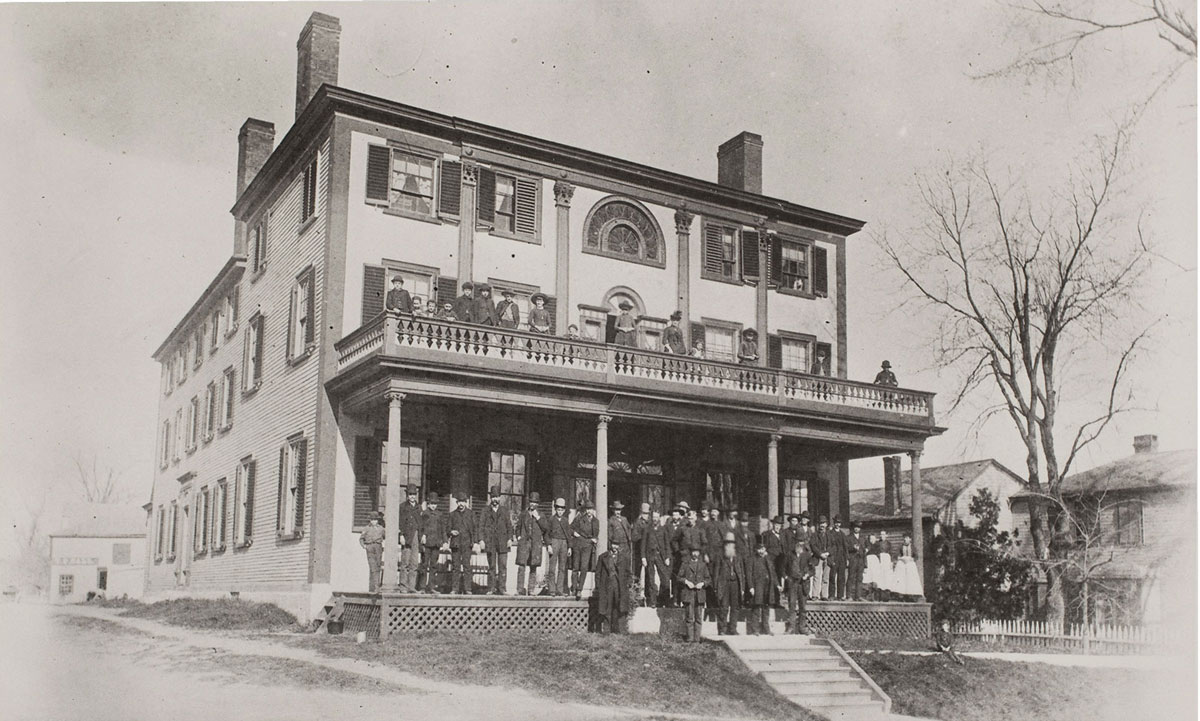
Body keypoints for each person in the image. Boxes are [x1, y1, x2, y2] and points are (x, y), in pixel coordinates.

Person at [478, 487, 514, 595]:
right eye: (493, 497)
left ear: (500, 498)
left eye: (497, 497)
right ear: (490, 498)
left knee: (503, 566)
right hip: (490, 542)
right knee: (492, 566)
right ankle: (491, 588)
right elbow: (481, 526)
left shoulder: (504, 511)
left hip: (503, 542)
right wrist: (481, 540)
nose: (495, 499)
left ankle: (502, 588)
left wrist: (510, 538)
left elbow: (509, 526)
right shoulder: (485, 511)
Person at [595, 539, 632, 634]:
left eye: (617, 545)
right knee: (607, 606)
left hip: (620, 586)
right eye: (614, 544)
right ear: (610, 544)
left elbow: (628, 572)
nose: (615, 547)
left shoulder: (624, 557)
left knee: (620, 607)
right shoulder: (603, 557)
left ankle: (621, 630)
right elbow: (598, 573)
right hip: (607, 585)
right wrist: (598, 586)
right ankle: (606, 630)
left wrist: (628, 582)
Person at [676, 545, 710, 643]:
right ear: (691, 553)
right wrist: (687, 582)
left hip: (699, 594)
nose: (695, 554)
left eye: (697, 552)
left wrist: (702, 584)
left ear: (699, 553)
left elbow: (708, 579)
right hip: (688, 594)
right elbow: (679, 577)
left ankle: (697, 639)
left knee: (699, 618)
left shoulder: (703, 565)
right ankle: (690, 639)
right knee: (689, 617)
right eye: (693, 552)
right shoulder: (685, 564)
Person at [713, 534, 744, 635]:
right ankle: (722, 629)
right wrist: (716, 586)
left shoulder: (737, 557)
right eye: (728, 544)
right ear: (725, 545)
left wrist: (742, 587)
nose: (730, 546)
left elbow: (741, 572)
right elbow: (716, 572)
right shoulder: (720, 556)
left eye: (732, 544)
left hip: (735, 584)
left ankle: (733, 629)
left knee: (735, 607)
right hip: (724, 584)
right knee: (724, 607)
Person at [515, 493, 545, 596]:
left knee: (533, 567)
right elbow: (518, 527)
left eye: (535, 502)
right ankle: (519, 589)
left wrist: (538, 518)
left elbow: (546, 528)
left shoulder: (541, 515)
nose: (533, 504)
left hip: (535, 544)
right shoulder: (523, 514)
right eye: (531, 502)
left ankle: (531, 590)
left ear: (538, 504)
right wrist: (519, 537)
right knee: (521, 567)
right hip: (524, 544)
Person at [447, 492, 477, 594]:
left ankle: (467, 589)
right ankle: (455, 588)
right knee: (455, 567)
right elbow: (447, 528)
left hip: (467, 544)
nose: (461, 504)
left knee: (467, 566)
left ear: (466, 502)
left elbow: (474, 528)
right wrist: (451, 532)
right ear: (457, 502)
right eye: (459, 501)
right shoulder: (452, 514)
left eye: (463, 502)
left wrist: (475, 542)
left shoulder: (471, 514)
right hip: (455, 544)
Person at [569, 501, 599, 599]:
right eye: (587, 509)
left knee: (584, 567)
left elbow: (596, 535)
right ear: (585, 510)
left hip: (588, 545)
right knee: (575, 567)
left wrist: (595, 539)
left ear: (593, 510)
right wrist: (574, 533)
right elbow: (570, 528)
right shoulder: (579, 519)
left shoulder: (595, 521)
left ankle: (579, 589)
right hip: (578, 544)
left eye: (590, 509)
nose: (589, 511)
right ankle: (573, 587)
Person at [543, 498, 572, 596]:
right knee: (552, 568)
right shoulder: (551, 519)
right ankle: (552, 590)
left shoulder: (565, 521)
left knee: (562, 568)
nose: (560, 512)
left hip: (564, 543)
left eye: (562, 510)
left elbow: (568, 534)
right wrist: (549, 545)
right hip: (554, 542)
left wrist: (569, 547)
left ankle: (559, 590)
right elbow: (546, 534)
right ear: (555, 509)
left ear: (564, 510)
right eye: (558, 509)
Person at [420, 493, 448, 593]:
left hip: (436, 544)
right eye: (432, 503)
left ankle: (431, 587)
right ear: (428, 503)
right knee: (424, 565)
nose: (433, 505)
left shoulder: (439, 515)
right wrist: (422, 536)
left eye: (435, 504)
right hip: (426, 544)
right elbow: (421, 528)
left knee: (434, 566)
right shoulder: (424, 514)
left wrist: (445, 541)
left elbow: (443, 529)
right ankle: (422, 587)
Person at [746, 543, 777, 635]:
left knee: (766, 608)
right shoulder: (751, 559)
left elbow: (773, 572)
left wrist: (777, 585)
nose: (761, 551)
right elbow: (749, 574)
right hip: (757, 586)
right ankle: (755, 629)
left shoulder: (768, 559)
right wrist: (751, 587)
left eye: (763, 549)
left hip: (767, 586)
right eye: (759, 549)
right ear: (756, 550)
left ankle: (766, 629)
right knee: (756, 607)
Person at [397, 485, 423, 593]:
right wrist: (401, 535)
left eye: (413, 494)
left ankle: (411, 586)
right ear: (407, 495)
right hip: (406, 535)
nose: (412, 497)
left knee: (414, 563)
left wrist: (422, 536)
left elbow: (421, 523)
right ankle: (403, 586)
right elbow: (400, 522)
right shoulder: (402, 507)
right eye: (410, 494)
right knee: (405, 562)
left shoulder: (419, 507)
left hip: (416, 536)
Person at [644, 510, 673, 607]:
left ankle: (664, 600)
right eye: (653, 517)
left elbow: (667, 544)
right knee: (651, 579)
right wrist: (643, 557)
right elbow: (643, 545)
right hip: (650, 556)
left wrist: (668, 557)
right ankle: (653, 602)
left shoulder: (663, 529)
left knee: (665, 578)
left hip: (661, 556)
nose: (655, 519)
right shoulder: (647, 529)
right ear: (651, 518)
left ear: (659, 518)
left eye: (656, 517)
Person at [786, 539, 814, 634]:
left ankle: (802, 627)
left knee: (803, 607)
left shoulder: (807, 555)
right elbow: (783, 568)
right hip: (793, 583)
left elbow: (812, 570)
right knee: (792, 605)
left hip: (803, 584)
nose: (799, 546)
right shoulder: (789, 555)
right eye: (797, 543)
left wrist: (807, 575)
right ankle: (791, 627)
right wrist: (786, 577)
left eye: (801, 544)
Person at [630, 502, 653, 602]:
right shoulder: (637, 523)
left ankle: (649, 594)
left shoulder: (651, 522)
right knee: (637, 572)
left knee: (650, 573)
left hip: (649, 551)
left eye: (647, 513)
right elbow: (634, 537)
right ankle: (636, 593)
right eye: (644, 513)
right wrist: (643, 538)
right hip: (639, 550)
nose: (646, 515)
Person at [359, 511, 385, 593]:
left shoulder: (381, 528)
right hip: (370, 547)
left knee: (378, 565)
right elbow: (361, 538)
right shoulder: (366, 528)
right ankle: (375, 586)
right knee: (373, 566)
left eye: (375, 520)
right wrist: (364, 546)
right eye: (372, 519)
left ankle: (377, 586)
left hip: (378, 547)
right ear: (370, 520)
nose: (374, 521)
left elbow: (385, 536)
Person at [808, 516, 832, 600]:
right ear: (818, 525)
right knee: (816, 576)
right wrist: (820, 554)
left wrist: (827, 553)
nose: (822, 525)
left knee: (826, 577)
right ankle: (815, 595)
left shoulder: (829, 535)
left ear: (826, 524)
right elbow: (813, 546)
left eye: (824, 523)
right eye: (820, 523)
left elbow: (832, 546)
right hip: (818, 557)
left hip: (827, 557)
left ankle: (824, 595)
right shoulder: (814, 535)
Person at [763, 516, 784, 606]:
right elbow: (764, 548)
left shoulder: (783, 535)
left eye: (779, 525)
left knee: (779, 579)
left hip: (780, 561)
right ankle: (769, 601)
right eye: (776, 525)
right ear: (773, 525)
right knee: (771, 579)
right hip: (770, 561)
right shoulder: (767, 535)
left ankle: (777, 600)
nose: (777, 527)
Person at [608, 500, 633, 569]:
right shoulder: (611, 520)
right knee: (618, 563)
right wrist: (612, 545)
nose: (618, 512)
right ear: (613, 510)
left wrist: (629, 538)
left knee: (627, 562)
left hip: (626, 544)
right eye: (616, 510)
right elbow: (610, 534)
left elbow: (629, 528)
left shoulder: (624, 519)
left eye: (619, 510)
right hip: (617, 545)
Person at [829, 516, 849, 601]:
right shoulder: (830, 533)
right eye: (836, 522)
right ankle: (832, 595)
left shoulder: (843, 534)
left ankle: (840, 595)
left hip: (842, 558)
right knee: (832, 576)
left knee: (841, 577)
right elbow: (829, 545)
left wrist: (847, 559)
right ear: (834, 523)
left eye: (839, 523)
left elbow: (846, 548)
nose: (837, 524)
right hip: (834, 557)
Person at [846, 521, 866, 601]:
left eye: (858, 527)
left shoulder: (862, 538)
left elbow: (866, 547)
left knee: (859, 578)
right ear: (853, 528)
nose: (857, 529)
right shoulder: (849, 538)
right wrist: (853, 548)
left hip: (860, 560)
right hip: (853, 559)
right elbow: (846, 549)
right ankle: (849, 596)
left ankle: (858, 596)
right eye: (855, 527)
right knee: (851, 577)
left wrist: (866, 549)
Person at [872, 531, 894, 601]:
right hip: (880, 559)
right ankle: (879, 597)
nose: (882, 536)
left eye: (883, 534)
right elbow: (875, 552)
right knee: (880, 578)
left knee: (887, 578)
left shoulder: (889, 544)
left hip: (887, 560)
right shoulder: (877, 543)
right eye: (881, 534)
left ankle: (886, 597)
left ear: (886, 535)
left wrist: (891, 562)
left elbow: (891, 553)